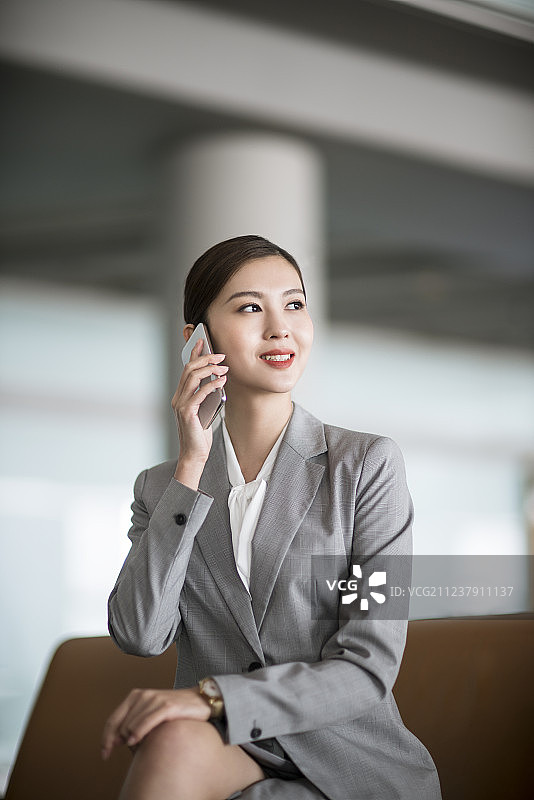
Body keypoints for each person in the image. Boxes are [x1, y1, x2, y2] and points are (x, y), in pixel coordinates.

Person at [101, 235, 442, 800]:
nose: (281, 327)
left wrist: (211, 698)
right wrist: (190, 464)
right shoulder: (162, 486)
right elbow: (140, 634)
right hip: (229, 748)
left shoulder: (366, 466)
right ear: (197, 341)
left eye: (295, 304)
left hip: (347, 756)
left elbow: (368, 666)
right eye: (251, 307)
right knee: (172, 743)